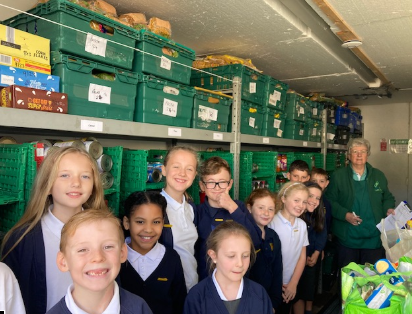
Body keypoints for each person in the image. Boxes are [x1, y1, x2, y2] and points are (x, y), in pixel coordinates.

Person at [1, 146, 107, 314]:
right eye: (64, 175)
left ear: (94, 185)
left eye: (85, 176)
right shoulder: (21, 240)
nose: (76, 183)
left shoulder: (107, 233)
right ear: (47, 185)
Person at [47, 209, 153, 314]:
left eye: (108, 247)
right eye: (82, 250)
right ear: (63, 261)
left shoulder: (139, 308)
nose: (97, 257)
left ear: (122, 253)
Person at [325, 138, 395, 270]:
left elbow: (388, 197)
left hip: (373, 237)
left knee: (371, 279)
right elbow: (329, 201)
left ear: (367, 154)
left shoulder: (378, 176)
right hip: (347, 238)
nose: (359, 155)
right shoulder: (338, 176)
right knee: (348, 279)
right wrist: (344, 215)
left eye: (363, 151)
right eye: (355, 151)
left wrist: (388, 208)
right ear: (349, 154)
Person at [183, 221, 273, 314]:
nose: (240, 263)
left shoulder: (259, 294)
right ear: (213, 255)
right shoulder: (197, 298)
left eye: (245, 255)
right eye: (231, 256)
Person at [194, 156, 261, 280]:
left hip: (239, 279)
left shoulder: (238, 207)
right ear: (202, 186)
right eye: (211, 182)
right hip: (207, 280)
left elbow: (256, 241)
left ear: (230, 184)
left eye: (222, 182)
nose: (217, 187)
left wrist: (232, 208)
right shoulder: (197, 212)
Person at [119, 191, 187, 314]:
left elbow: (179, 303)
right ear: (127, 223)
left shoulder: (172, 258)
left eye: (156, 222)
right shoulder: (115, 258)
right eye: (140, 222)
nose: (148, 230)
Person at [160, 146, 199, 291]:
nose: (182, 173)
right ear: (164, 170)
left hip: (192, 286)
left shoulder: (191, 208)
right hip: (169, 290)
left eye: (189, 169)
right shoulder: (154, 208)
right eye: (176, 166)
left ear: (194, 175)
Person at [268, 182, 309, 314]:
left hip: (290, 284)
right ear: (284, 199)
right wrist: (276, 284)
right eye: (296, 200)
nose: (300, 206)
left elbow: (302, 256)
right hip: (273, 284)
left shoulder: (302, 225)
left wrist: (294, 283)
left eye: (304, 202)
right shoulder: (272, 222)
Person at [246, 188, 283, 313]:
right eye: (261, 208)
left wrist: (274, 303)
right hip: (249, 302)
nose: (266, 213)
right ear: (249, 208)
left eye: (270, 209)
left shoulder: (273, 236)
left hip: (269, 300)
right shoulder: (244, 237)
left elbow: (278, 270)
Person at [293, 182, 327, 314]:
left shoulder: (317, 214)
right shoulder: (296, 216)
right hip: (296, 262)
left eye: (317, 198)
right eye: (310, 196)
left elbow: (322, 232)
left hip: (311, 258)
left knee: (307, 291)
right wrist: (303, 258)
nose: (314, 201)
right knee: (295, 294)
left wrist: (317, 252)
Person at [310, 167, 331, 234]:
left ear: (326, 183)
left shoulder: (327, 204)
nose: (317, 184)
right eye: (314, 181)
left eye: (321, 181)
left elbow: (328, 223)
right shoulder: (306, 200)